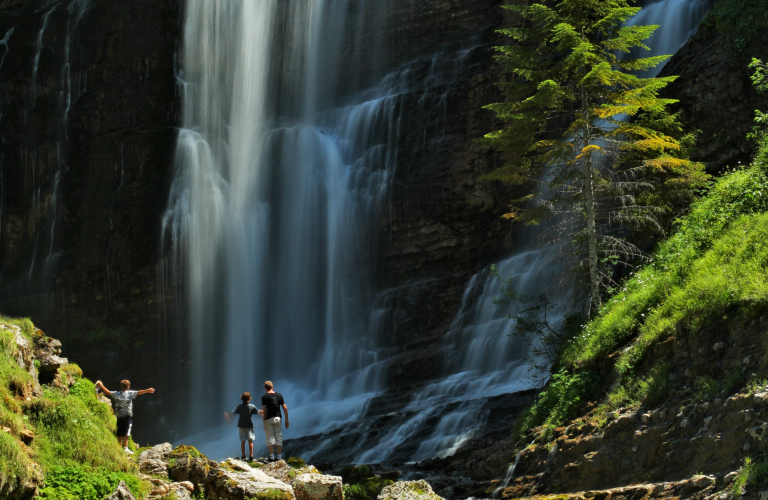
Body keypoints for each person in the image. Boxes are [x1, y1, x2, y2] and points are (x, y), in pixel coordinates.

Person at [95, 379, 155, 454]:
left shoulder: (117, 393)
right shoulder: (130, 393)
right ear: (128, 387)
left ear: (121, 386)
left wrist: (101, 385)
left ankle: (119, 447)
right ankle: (125, 448)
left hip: (119, 416)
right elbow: (139, 392)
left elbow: (108, 392)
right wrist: (147, 390)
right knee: (127, 431)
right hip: (127, 416)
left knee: (119, 431)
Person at [224, 392, 262, 461]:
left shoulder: (239, 406)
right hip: (249, 425)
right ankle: (251, 455)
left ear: (242, 399)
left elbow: (233, 413)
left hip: (241, 425)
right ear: (250, 399)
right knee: (250, 440)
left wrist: (228, 415)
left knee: (243, 440)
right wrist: (264, 411)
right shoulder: (252, 406)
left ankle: (243, 455)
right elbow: (258, 412)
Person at [261, 381, 289, 462]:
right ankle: (279, 457)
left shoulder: (264, 396)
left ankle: (272, 456)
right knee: (278, 437)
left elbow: (265, 409)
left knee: (269, 437)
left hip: (269, 418)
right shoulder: (279, 395)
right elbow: (285, 408)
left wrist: (264, 420)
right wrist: (287, 420)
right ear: (272, 387)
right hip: (278, 418)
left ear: (265, 388)